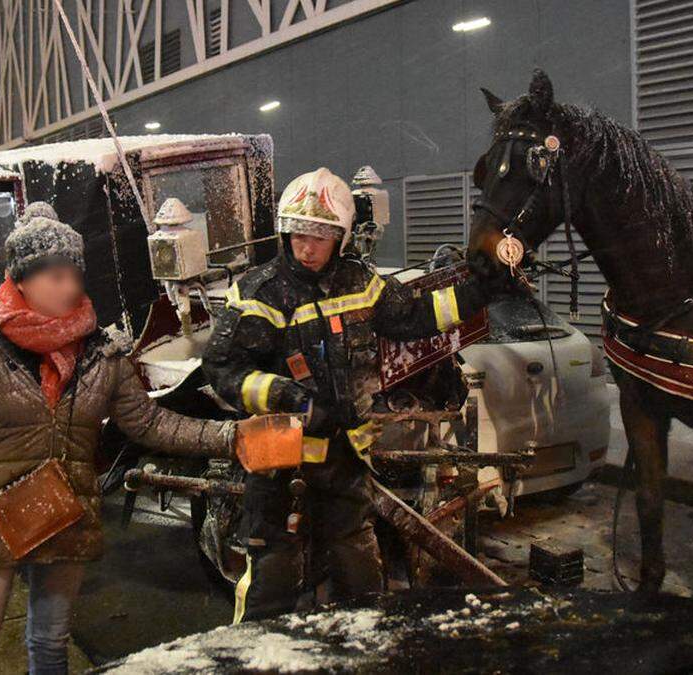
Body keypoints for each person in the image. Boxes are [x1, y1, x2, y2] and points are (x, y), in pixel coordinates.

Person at [0, 202, 239, 674]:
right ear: (21, 280)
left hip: (65, 515)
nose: (69, 287)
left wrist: (229, 436)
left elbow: (149, 423)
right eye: (55, 276)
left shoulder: (102, 353)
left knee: (49, 645)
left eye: (74, 275)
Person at [202, 168, 489, 622]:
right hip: (279, 464)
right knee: (272, 581)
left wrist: (479, 292)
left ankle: (363, 652)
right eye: (298, 234)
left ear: (341, 238)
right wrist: (291, 399)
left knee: (360, 575)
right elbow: (222, 370)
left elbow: (414, 316)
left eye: (320, 236)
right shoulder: (259, 293)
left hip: (343, 457)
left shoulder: (360, 282)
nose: (307, 247)